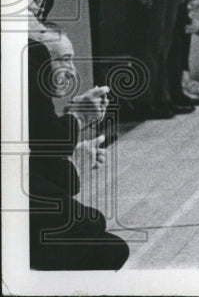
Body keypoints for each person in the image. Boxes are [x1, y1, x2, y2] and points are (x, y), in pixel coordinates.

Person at [28, 25, 129, 270]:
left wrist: (74, 160)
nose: (72, 72)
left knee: (96, 230)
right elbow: (43, 148)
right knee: (97, 234)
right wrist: (79, 118)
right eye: (63, 60)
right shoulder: (27, 53)